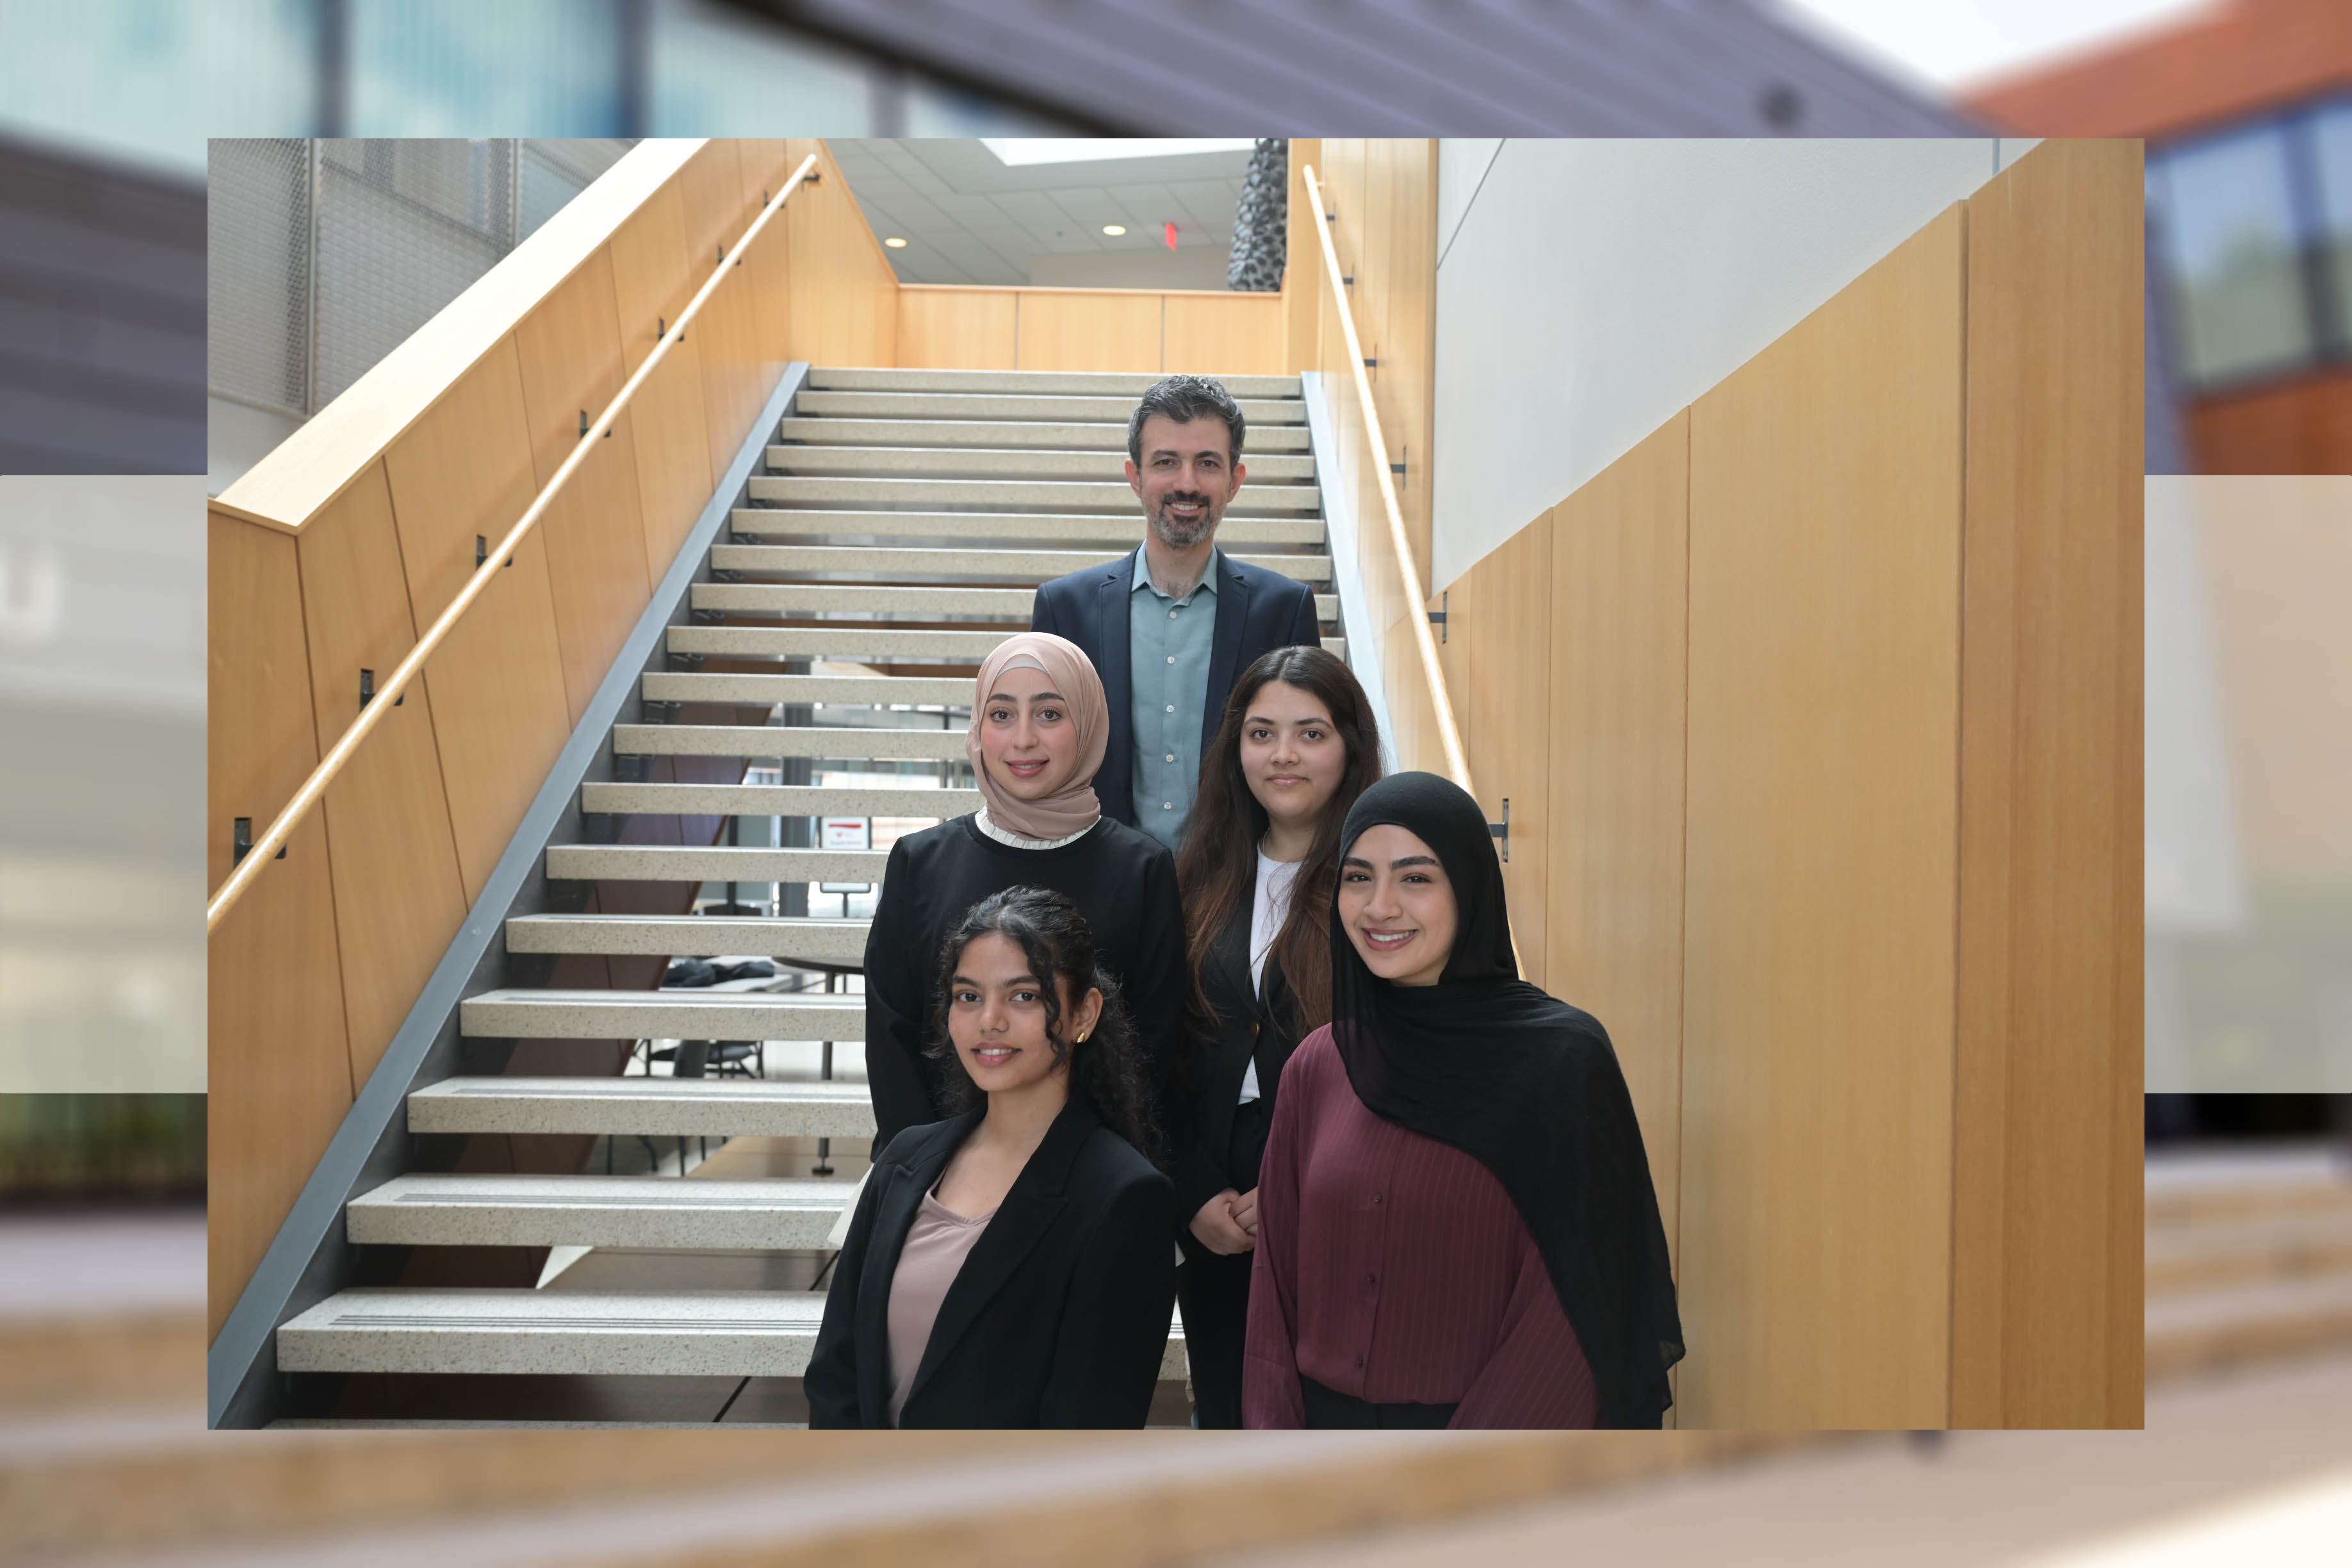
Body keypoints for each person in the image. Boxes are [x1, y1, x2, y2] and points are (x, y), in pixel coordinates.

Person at [1243, 772, 1685, 1429]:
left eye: (1416, 878)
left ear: (1471, 887)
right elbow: (1273, 1292)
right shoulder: (1321, 1064)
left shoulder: (1560, 1062)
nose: (1379, 906)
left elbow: (1576, 1308)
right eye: (1359, 877)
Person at [806, 887, 1178, 1428]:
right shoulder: (903, 1160)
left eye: (1024, 996)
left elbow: (1088, 1428)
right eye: (969, 996)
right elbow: (835, 1373)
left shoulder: (1124, 1196)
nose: (990, 1021)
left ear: (1085, 1013)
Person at [861, 632, 1189, 1157]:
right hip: (935, 1175)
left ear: (1088, 724)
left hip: (1089, 1183)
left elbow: (1153, 1049)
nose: (1023, 741)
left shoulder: (1142, 870)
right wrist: (934, 1171)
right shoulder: (919, 864)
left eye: (1050, 714)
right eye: (1002, 715)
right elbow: (893, 1040)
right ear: (978, 727)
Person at [1168, 645, 1382, 1428]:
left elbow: (1395, 1054)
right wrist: (1192, 1196)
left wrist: (1298, 1190)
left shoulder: (1380, 884)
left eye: (1311, 733)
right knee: (1231, 1413)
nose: (1283, 755)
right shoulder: (1190, 876)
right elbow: (1160, 1058)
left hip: (1341, 1193)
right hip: (1217, 1206)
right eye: (1261, 733)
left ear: (1350, 747)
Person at [1030, 374, 1321, 853]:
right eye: (1167, 462)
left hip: (1238, 887)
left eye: (1207, 463)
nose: (1187, 483)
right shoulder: (1064, 611)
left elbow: (1310, 758)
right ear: (1135, 477)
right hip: (1101, 885)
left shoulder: (1285, 611)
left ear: (1235, 481)